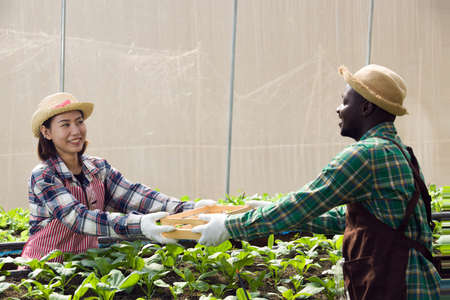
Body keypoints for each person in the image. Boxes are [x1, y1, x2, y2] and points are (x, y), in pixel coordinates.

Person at [192, 64, 441, 299]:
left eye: (345, 102)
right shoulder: (400, 151)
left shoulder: (366, 156)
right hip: (415, 283)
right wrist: (263, 210)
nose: (338, 109)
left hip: (397, 286)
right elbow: (350, 220)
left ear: (366, 108)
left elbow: (303, 203)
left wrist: (230, 226)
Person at [21, 92, 214, 261]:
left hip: (84, 263)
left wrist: (191, 209)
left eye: (79, 122)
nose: (76, 130)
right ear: (46, 132)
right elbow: (77, 218)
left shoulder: (97, 168)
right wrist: (139, 225)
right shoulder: (44, 175)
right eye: (65, 124)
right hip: (44, 267)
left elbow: (135, 196)